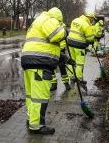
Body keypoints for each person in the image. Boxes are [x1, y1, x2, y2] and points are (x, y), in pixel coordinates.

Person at [21, 7, 66, 135]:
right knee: (40, 97)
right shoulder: (49, 19)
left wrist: (62, 57)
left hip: (30, 61)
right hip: (40, 64)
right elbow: (57, 35)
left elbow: (44, 45)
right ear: (57, 19)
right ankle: (37, 126)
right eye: (59, 22)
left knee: (31, 95)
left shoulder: (39, 21)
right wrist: (64, 30)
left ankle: (31, 120)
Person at [66, 12, 96, 91]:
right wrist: (91, 41)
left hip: (70, 43)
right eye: (92, 20)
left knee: (72, 61)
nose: (92, 21)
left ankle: (72, 77)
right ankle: (79, 79)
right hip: (79, 45)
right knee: (80, 62)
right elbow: (90, 38)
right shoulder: (86, 25)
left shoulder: (75, 20)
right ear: (90, 18)